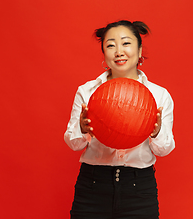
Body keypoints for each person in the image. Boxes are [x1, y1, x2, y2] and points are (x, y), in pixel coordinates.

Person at [64, 20, 175, 219]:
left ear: (140, 51)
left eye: (126, 43)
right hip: (92, 186)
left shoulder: (159, 95)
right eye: (110, 45)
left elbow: (165, 149)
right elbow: (73, 144)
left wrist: (157, 132)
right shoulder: (87, 91)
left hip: (139, 189)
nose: (118, 51)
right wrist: (82, 129)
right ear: (104, 54)